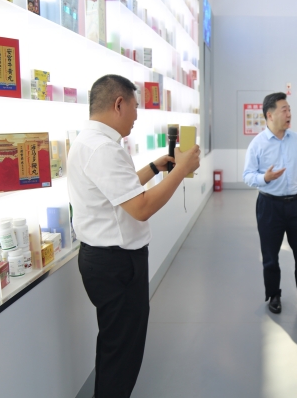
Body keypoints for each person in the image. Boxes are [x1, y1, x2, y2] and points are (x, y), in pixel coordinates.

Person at [67, 74, 200, 398]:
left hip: (103, 260)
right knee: (122, 356)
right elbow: (141, 207)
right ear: (118, 104)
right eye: (135, 107)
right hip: (117, 263)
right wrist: (182, 170)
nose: (137, 116)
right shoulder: (103, 149)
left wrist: (155, 168)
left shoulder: (89, 142)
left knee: (114, 346)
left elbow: (118, 193)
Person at [243, 92, 297, 314]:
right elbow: (248, 175)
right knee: (270, 256)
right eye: (284, 110)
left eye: (289, 109)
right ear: (270, 115)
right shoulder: (257, 144)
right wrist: (264, 178)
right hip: (269, 206)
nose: (289, 113)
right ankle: (273, 294)